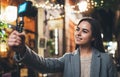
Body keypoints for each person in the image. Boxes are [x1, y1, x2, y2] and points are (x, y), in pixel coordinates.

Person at [8, 17, 117, 77]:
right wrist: (22, 49)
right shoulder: (68, 58)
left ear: (93, 37)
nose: (78, 33)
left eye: (84, 31)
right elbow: (43, 65)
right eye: (77, 29)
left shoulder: (105, 59)